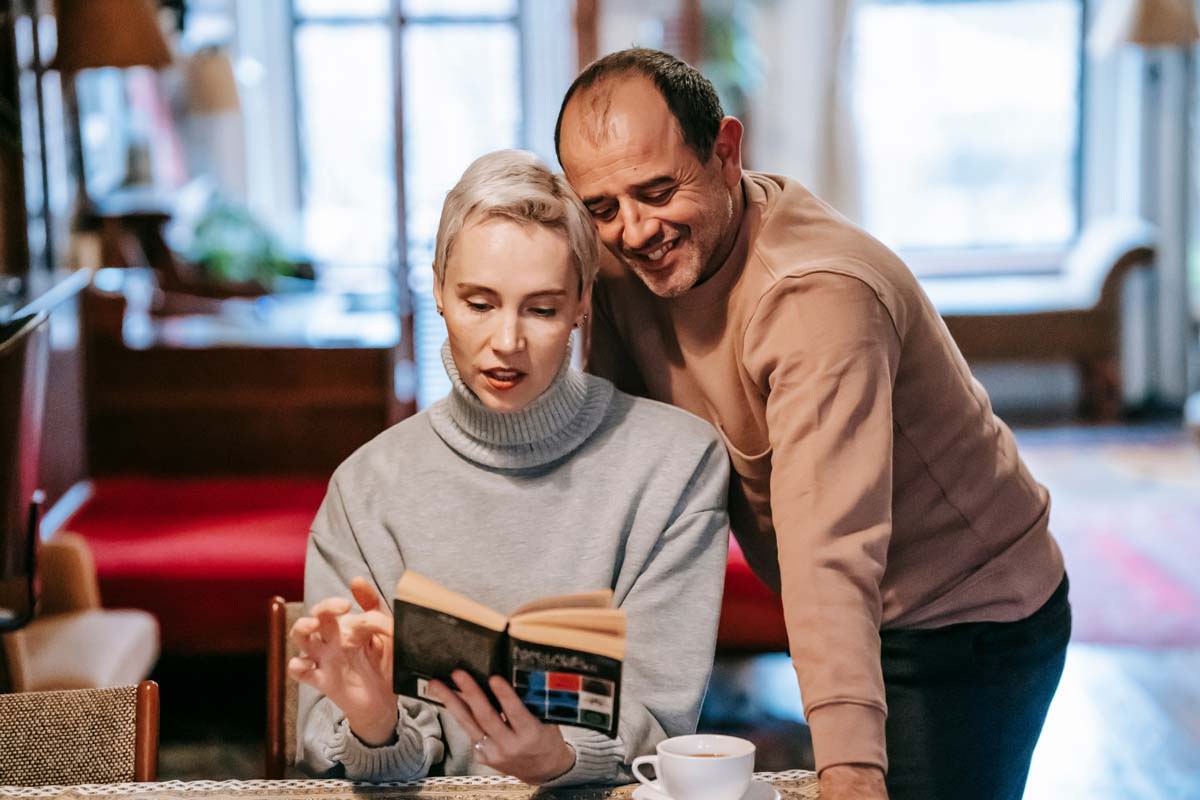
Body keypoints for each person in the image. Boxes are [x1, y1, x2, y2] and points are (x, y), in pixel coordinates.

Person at [555, 48, 1070, 800]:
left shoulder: (816, 301)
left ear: (726, 153)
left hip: (965, 617)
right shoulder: (623, 264)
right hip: (849, 605)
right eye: (602, 208)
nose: (634, 231)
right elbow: (617, 458)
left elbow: (828, 549)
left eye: (658, 190)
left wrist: (851, 769)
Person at [289, 149, 730, 786]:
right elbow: (352, 754)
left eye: (542, 309)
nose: (507, 342)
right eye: (479, 303)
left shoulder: (677, 464)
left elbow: (659, 719)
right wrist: (376, 727)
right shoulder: (366, 488)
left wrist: (563, 758)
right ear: (438, 289)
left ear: (582, 301)